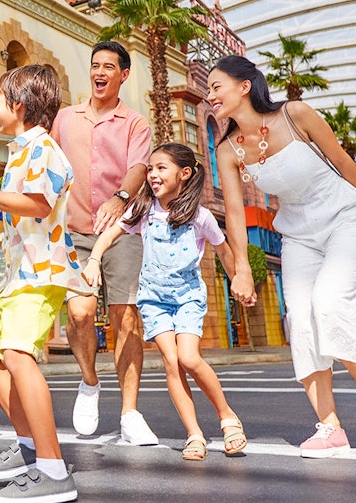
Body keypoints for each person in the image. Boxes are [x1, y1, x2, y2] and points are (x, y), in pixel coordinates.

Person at [207, 55, 356, 458]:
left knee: (329, 301)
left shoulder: (294, 114)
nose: (211, 96)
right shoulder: (228, 149)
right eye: (207, 89)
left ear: (244, 86)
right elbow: (236, 214)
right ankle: (329, 427)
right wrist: (241, 267)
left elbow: (344, 162)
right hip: (298, 235)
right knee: (301, 319)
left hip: (347, 217)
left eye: (216, 86)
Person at [0, 64, 87, 503]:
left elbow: (37, 204)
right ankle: (30, 447)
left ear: (20, 105)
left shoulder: (44, 148)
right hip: (19, 275)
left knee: (15, 354)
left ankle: (53, 470)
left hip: (41, 272)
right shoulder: (20, 150)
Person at [85, 143, 254, 461]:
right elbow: (109, 235)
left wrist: (238, 280)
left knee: (189, 358)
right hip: (154, 300)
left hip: (188, 296)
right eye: (150, 168)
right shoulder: (143, 210)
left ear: (185, 173)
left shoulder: (200, 217)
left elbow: (223, 250)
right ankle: (194, 435)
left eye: (161, 168)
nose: (152, 174)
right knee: (172, 363)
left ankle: (228, 417)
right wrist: (94, 259)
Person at [50, 40, 156, 444]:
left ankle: (130, 412)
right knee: (78, 314)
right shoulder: (64, 118)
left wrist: (121, 197)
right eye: (95, 65)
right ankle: (90, 382)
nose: (99, 72)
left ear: (123, 75)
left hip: (122, 231)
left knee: (125, 318)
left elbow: (138, 169)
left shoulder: (135, 123)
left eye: (108, 67)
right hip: (73, 232)